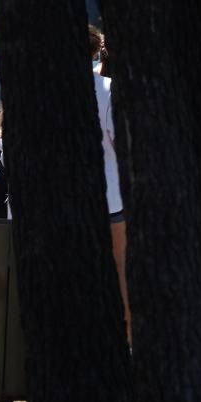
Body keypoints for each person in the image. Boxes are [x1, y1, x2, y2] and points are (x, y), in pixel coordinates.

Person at [89, 25, 130, 343]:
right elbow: (120, 144)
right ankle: (127, 339)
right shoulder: (107, 89)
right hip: (111, 196)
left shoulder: (45, 91)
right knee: (121, 270)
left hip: (63, 201)